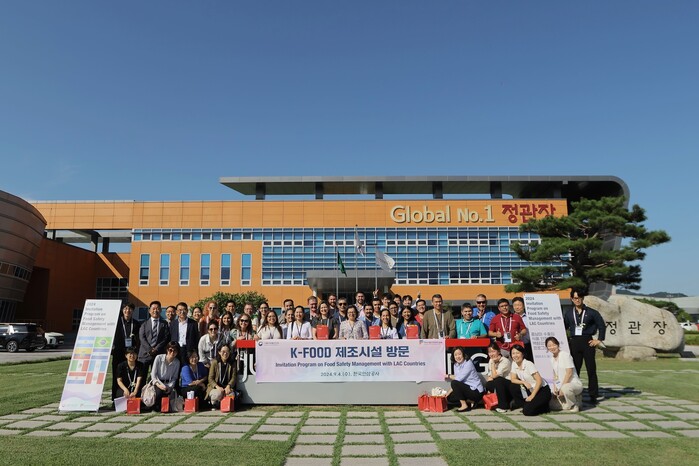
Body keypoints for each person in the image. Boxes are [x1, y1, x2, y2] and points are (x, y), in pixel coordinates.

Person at [563, 288, 606, 404]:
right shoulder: (569, 313)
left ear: (583, 298)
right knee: (574, 370)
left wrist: (599, 340)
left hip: (588, 342)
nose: (577, 300)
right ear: (572, 299)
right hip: (574, 342)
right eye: (575, 298)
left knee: (591, 369)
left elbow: (601, 325)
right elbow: (563, 327)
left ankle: (593, 395)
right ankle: (576, 394)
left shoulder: (592, 312)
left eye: (580, 298)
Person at [509, 345, 551, 416]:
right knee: (513, 386)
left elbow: (539, 380)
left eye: (517, 353)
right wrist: (523, 382)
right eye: (513, 353)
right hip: (530, 389)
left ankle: (545, 407)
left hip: (541, 390)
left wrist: (532, 396)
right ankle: (524, 404)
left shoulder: (528, 364)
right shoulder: (514, 363)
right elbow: (513, 379)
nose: (515, 355)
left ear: (522, 354)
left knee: (528, 412)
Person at [112, 302, 141, 402]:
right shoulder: (116, 323)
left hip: (131, 354)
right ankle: (115, 399)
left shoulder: (136, 324)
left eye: (130, 309)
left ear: (133, 311)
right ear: (122, 310)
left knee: (131, 376)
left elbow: (138, 340)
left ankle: (132, 398)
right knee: (117, 376)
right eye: (125, 308)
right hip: (118, 353)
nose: (127, 311)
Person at [546, 336, 583, 412]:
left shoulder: (565, 355)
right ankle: (569, 402)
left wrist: (562, 388)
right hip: (561, 385)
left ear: (558, 345)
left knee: (566, 388)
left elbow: (569, 373)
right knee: (552, 405)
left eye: (554, 345)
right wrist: (555, 388)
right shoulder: (552, 359)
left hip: (573, 384)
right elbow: (555, 375)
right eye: (549, 346)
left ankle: (574, 405)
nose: (552, 347)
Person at [445, 347, 484, 412]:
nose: (458, 356)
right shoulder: (456, 365)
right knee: (450, 398)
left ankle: (464, 405)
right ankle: (471, 401)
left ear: (463, 354)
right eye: (455, 355)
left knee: (454, 383)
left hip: (476, 391)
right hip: (467, 389)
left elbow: (458, 379)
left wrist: (448, 376)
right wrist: (447, 394)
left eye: (459, 354)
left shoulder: (468, 363)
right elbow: (458, 381)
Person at [138, 300, 170, 375]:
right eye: (153, 309)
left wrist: (156, 349)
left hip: (158, 353)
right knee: (142, 376)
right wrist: (149, 349)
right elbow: (142, 337)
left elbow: (165, 338)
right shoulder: (143, 323)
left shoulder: (164, 323)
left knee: (157, 376)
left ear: (161, 310)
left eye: (157, 309)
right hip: (145, 354)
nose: (155, 311)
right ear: (149, 311)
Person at [150, 342, 181, 412]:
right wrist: (158, 385)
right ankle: (155, 407)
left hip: (168, 384)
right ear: (167, 350)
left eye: (175, 351)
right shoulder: (158, 358)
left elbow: (174, 378)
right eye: (170, 350)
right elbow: (153, 375)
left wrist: (170, 386)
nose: (172, 352)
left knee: (169, 394)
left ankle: (165, 407)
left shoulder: (177, 362)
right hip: (158, 382)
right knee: (159, 392)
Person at [484, 343, 512, 413]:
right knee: (489, 384)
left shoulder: (505, 361)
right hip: (498, 384)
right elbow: (490, 377)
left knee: (498, 380)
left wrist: (493, 363)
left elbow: (495, 376)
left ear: (499, 351)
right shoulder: (491, 360)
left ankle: (503, 406)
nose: (491, 354)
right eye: (489, 352)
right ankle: (496, 401)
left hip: (508, 384)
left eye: (493, 351)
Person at [169, 301, 199, 366]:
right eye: (180, 310)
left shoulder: (193, 323)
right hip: (176, 349)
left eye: (184, 310)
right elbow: (170, 337)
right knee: (176, 368)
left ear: (187, 311)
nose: (182, 312)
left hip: (188, 350)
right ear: (176, 312)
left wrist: (195, 351)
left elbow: (196, 338)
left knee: (187, 368)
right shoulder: (172, 324)